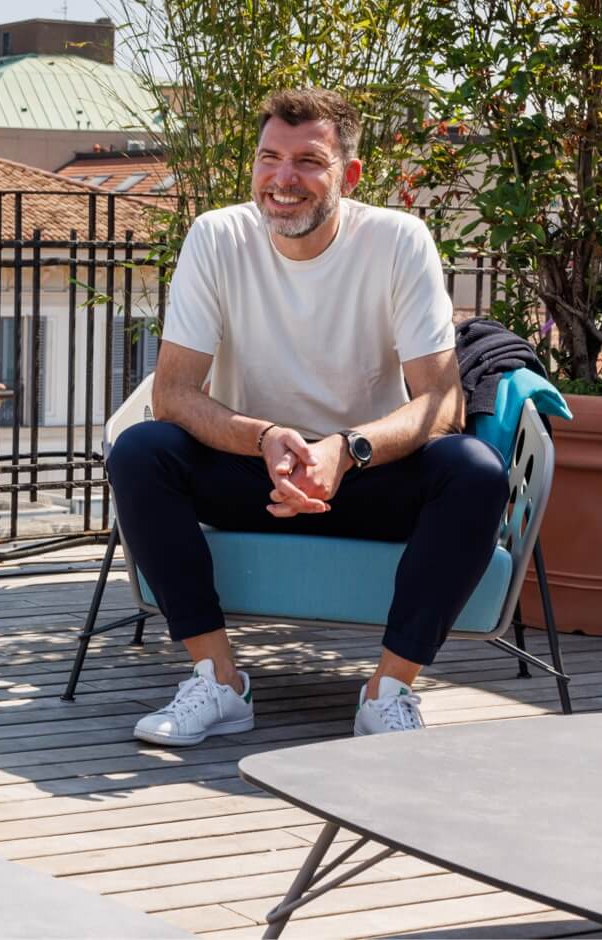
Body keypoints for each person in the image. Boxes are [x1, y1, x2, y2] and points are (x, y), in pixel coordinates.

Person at [104, 88, 509, 747]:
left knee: (474, 470)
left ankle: (388, 691)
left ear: (347, 175)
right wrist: (263, 438)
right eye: (270, 158)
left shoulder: (398, 241)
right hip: (252, 471)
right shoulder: (216, 236)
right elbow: (173, 394)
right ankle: (219, 681)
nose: (283, 179)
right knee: (142, 450)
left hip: (370, 474)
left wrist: (346, 452)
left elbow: (442, 404)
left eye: (308, 161)